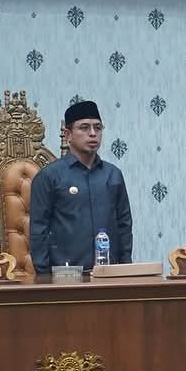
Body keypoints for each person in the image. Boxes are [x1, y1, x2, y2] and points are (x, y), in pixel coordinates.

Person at [29, 101, 133, 272]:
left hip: (109, 273)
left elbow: (124, 225)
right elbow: (38, 230)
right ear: (68, 134)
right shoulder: (49, 176)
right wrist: (44, 276)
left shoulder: (113, 174)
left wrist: (125, 268)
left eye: (98, 128)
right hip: (65, 276)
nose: (93, 134)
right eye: (84, 128)